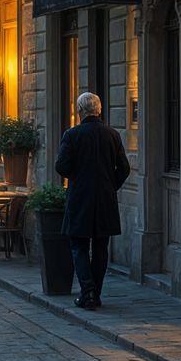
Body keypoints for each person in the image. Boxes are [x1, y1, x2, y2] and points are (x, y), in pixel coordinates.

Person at [54, 91, 130, 310]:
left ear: (80, 111)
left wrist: (77, 177)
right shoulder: (112, 135)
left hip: (80, 198)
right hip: (105, 200)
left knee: (78, 245)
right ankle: (95, 294)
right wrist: (109, 186)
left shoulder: (72, 135)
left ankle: (87, 291)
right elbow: (124, 168)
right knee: (100, 248)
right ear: (99, 110)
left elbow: (61, 166)